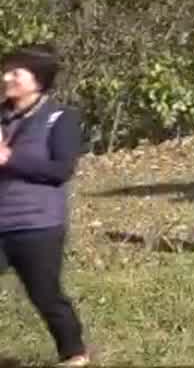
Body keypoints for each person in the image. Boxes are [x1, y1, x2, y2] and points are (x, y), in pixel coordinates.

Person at [0, 45, 89, 366]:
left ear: (37, 80)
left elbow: (61, 170)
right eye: (6, 71)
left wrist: (10, 159)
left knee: (45, 294)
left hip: (37, 223)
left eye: (15, 72)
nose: (6, 78)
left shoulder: (60, 118)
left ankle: (74, 353)